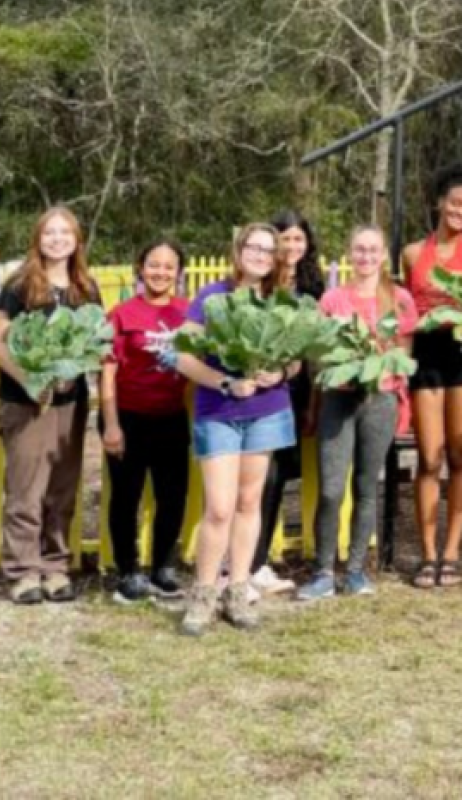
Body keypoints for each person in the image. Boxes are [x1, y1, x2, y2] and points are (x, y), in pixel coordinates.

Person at [172, 224, 297, 635]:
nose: (259, 255)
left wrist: (278, 370)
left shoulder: (281, 301)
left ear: (275, 257)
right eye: (253, 247)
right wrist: (226, 382)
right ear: (238, 251)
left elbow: (296, 361)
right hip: (219, 407)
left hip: (267, 409)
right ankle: (204, 592)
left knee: (249, 503)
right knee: (219, 508)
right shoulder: (211, 297)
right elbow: (183, 358)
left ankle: (238, 591)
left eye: (267, 249)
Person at [0, 207, 102, 606]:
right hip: (26, 403)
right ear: (38, 240)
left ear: (77, 239)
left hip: (71, 402)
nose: (57, 239)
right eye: (49, 233)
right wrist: (30, 381)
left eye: (65, 232)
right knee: (26, 490)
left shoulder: (85, 287)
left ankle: (55, 567)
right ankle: (23, 572)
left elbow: (95, 342)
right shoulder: (20, 285)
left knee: (62, 490)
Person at [301, 226, 415, 600]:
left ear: (384, 256)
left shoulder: (398, 299)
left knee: (366, 487)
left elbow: (403, 355)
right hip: (338, 400)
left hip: (379, 402)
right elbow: (317, 358)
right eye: (359, 250)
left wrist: (396, 395)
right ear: (350, 254)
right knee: (332, 489)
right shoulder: (332, 299)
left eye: (373, 250)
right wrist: (319, 401)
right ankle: (322, 571)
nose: (366, 257)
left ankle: (354, 571)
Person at [401, 164, 462, 588]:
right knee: (428, 457)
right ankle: (427, 554)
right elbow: (404, 307)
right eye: (455, 203)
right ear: (440, 202)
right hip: (426, 359)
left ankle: (452, 554)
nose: (461, 211)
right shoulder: (411, 253)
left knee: (458, 453)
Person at [100, 240, 192, 604]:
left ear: (178, 272)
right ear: (140, 267)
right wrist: (111, 424)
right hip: (128, 417)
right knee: (126, 498)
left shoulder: (188, 313)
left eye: (169, 267)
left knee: (173, 496)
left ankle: (163, 567)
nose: (161, 272)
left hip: (171, 417)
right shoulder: (121, 314)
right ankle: (128, 570)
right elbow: (107, 374)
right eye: (154, 265)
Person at [248, 209, 325, 599]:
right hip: (257, 390)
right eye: (285, 239)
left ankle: (257, 560)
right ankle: (249, 562)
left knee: (277, 476)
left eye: (299, 239)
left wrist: (312, 404)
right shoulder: (261, 283)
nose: (292, 246)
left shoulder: (314, 287)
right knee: (258, 477)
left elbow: (314, 353)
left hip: (296, 391)